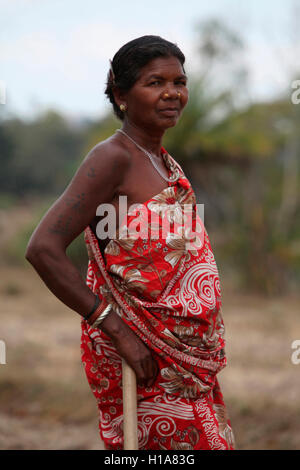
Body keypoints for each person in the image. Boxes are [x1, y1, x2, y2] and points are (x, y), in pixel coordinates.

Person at [26, 35, 235, 450]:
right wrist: (116, 329)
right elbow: (43, 248)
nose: (172, 93)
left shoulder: (162, 160)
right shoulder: (112, 158)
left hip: (186, 361)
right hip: (140, 359)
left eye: (179, 81)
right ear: (121, 95)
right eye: (155, 83)